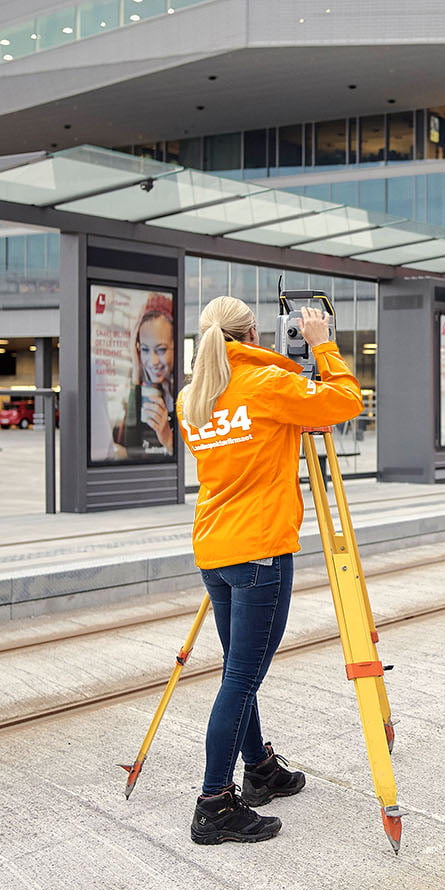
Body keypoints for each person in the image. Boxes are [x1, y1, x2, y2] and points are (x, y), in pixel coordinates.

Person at [176, 295, 363, 845]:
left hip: (215, 550)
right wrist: (322, 342)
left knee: (239, 668)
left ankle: (259, 769)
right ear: (253, 333)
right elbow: (346, 401)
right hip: (259, 551)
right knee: (241, 677)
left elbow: (244, 447)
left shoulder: (194, 396)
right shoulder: (269, 386)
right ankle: (214, 802)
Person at [133, 302, 178, 453]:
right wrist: (136, 368)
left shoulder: (186, 395)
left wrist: (168, 438)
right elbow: (129, 445)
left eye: (161, 350)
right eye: (145, 349)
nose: (153, 362)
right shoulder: (142, 389)